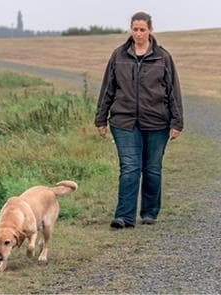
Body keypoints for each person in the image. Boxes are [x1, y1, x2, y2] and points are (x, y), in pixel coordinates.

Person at [94, 11, 183, 229]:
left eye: (142, 29)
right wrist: (101, 118)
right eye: (135, 29)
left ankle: (150, 212)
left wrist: (176, 122)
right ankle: (124, 216)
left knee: (152, 168)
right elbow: (108, 89)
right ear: (130, 30)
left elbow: (173, 92)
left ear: (150, 30)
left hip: (157, 122)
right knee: (130, 167)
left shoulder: (163, 57)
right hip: (123, 121)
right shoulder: (119, 55)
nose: (138, 33)